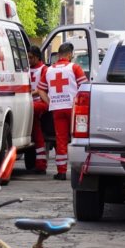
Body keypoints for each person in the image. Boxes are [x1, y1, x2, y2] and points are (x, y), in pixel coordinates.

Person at [38, 42, 88, 180]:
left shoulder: (49, 70)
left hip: (57, 109)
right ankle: (82, 170)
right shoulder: (75, 68)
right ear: (70, 54)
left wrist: (50, 102)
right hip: (73, 109)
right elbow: (84, 87)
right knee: (78, 138)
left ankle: (61, 172)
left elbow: (41, 89)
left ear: (58, 54)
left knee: (61, 139)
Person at [27, 46, 49, 174]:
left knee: (35, 126)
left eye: (31, 57)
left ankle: (41, 163)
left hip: (41, 102)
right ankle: (39, 162)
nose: (29, 60)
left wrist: (29, 93)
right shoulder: (26, 69)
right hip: (29, 101)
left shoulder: (44, 69)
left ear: (37, 57)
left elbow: (43, 90)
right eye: (27, 57)